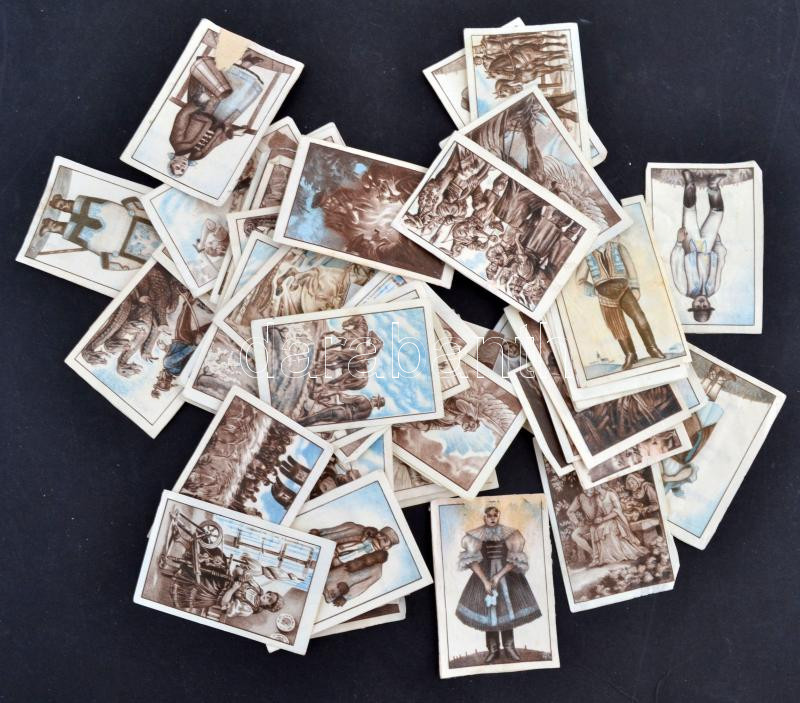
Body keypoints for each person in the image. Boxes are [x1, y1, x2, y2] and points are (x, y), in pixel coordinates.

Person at [455, 506, 541, 663]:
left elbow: (515, 560)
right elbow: (472, 561)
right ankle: (493, 650)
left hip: (506, 575)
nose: (492, 518)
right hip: (483, 576)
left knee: (506, 611)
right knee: (488, 613)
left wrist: (498, 576)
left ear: (499, 516)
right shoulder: (475, 536)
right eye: (489, 515)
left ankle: (509, 647)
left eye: (495, 515)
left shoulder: (510, 534)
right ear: (484, 517)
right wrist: (485, 581)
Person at [168, 52, 265, 176]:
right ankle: (247, 63)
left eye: (177, 167)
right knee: (236, 100)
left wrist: (199, 102)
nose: (181, 166)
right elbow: (216, 142)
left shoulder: (176, 142)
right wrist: (233, 133)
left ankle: (244, 63)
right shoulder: (199, 156)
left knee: (223, 90)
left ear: (172, 161)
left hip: (203, 111)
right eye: (182, 170)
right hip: (219, 122)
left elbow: (182, 116)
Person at [575, 239, 665, 370]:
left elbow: (630, 268)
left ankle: (652, 348)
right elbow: (579, 280)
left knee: (640, 318)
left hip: (624, 289)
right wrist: (594, 291)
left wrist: (635, 287)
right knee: (618, 327)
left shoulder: (618, 247)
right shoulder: (587, 255)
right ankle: (630, 354)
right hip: (605, 296)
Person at [35, 193, 159, 270]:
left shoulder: (155, 262)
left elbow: (137, 264)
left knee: (84, 235)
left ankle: (53, 226)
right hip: (125, 219)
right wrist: (134, 208)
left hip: (114, 245)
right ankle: (61, 203)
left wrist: (114, 261)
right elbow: (155, 218)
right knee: (96, 209)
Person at [669, 170, 728, 322]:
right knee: (717, 214)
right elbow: (720, 265)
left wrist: (678, 243)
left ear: (693, 305)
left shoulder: (684, 289)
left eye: (698, 307)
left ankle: (689, 183)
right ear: (709, 305)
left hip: (691, 247)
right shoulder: (714, 288)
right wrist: (718, 244)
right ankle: (713, 185)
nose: (702, 303)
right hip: (707, 247)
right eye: (705, 306)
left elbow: (676, 265)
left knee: (689, 214)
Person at [309, 522, 400, 606]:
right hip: (323, 555)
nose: (380, 538)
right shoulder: (360, 531)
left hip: (332, 582)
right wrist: (321, 533)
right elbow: (339, 530)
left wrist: (345, 597)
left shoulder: (377, 570)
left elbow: (363, 586)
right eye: (381, 534)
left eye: (385, 539)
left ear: (387, 547)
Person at [588, 484, 648, 566]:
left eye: (594, 486)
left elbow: (617, 510)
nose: (593, 489)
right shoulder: (597, 498)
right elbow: (599, 512)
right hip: (605, 520)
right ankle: (604, 556)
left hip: (616, 519)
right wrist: (597, 518)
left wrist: (603, 519)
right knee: (597, 529)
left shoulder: (611, 494)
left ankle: (617, 555)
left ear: (599, 485)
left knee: (608, 528)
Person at [297, 394, 385, 426]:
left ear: (376, 401)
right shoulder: (368, 414)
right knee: (318, 420)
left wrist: (340, 394)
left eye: (376, 397)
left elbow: (344, 399)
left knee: (317, 416)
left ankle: (298, 423)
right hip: (341, 419)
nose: (373, 396)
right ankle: (302, 424)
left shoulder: (363, 399)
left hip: (340, 411)